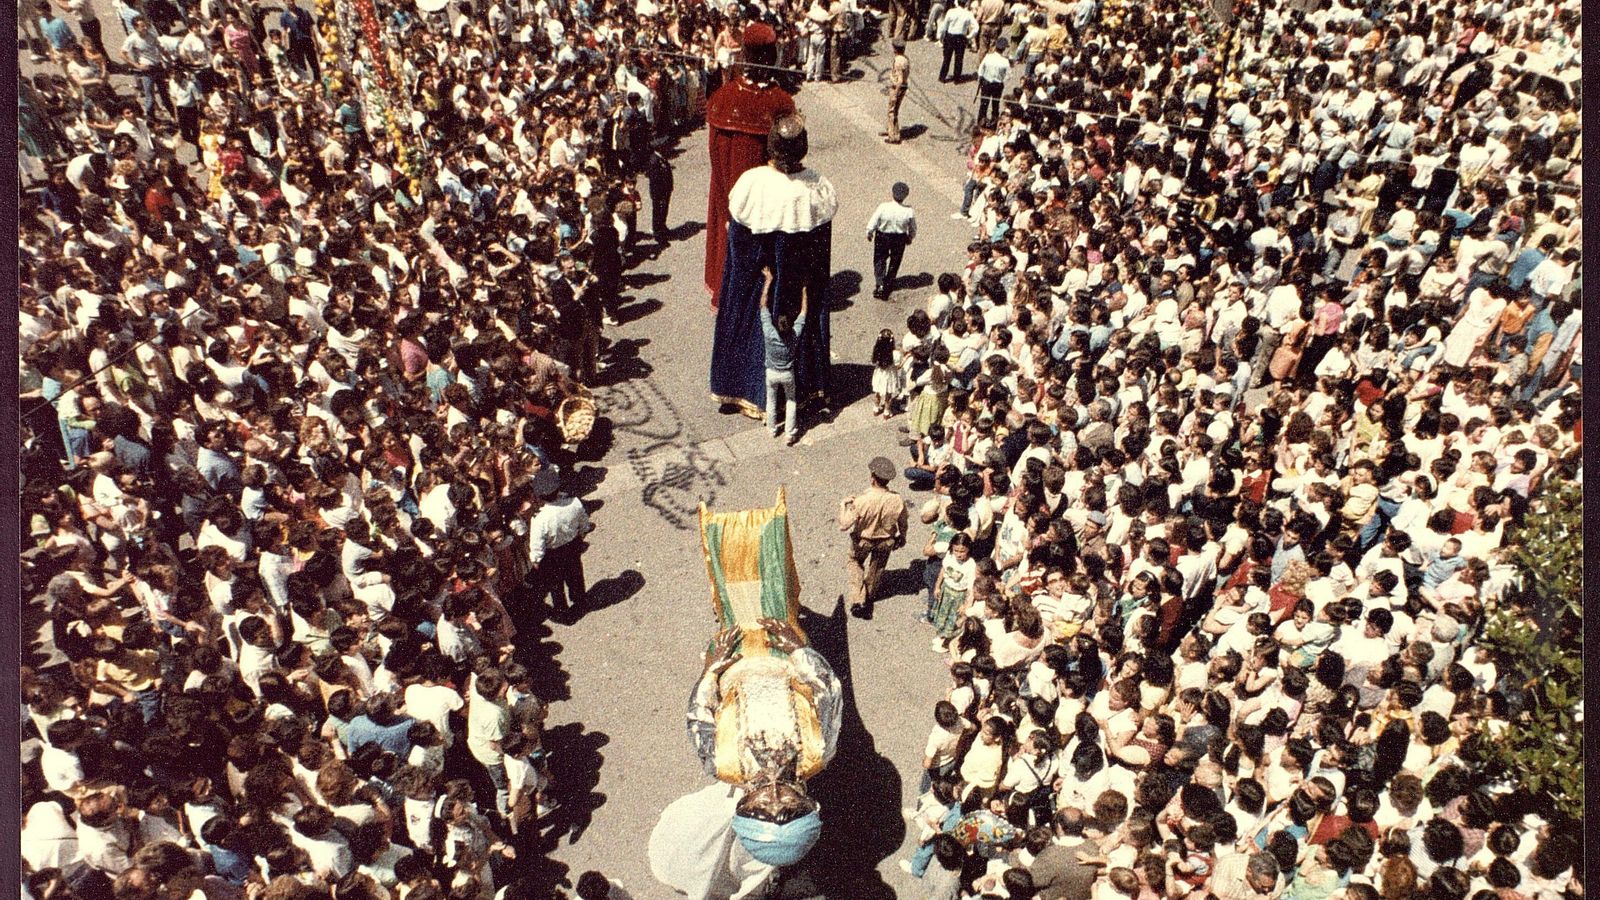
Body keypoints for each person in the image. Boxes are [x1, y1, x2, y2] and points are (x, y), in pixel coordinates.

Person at [710, 115, 838, 417]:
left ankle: (739, 387)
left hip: (758, 277)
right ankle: (807, 389)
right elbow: (820, 246)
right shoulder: (816, 187)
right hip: (797, 279)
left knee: (747, 323)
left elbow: (740, 244)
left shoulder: (752, 182)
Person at [703, 23, 798, 306]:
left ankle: (730, 294)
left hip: (727, 193)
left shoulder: (722, 98)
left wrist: (725, 206)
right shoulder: (781, 102)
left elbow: (715, 161)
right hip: (765, 198)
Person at [839, 456, 910, 619]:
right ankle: (870, 595)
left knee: (855, 562)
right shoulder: (897, 500)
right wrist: (902, 537)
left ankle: (858, 599)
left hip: (863, 541)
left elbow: (844, 525)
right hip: (886, 541)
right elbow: (903, 522)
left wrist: (843, 506)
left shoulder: (862, 501)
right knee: (877, 567)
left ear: (872, 477)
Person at [525, 467, 594, 620]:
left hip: (552, 554)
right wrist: (581, 533)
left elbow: (537, 543)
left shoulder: (539, 518)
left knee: (555, 583)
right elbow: (584, 524)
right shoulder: (574, 502)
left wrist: (536, 559)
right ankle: (580, 600)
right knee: (575, 575)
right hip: (573, 545)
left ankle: (562, 611)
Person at [757, 265, 809, 445]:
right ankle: (789, 433)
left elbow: (763, 304)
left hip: (771, 372)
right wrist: (803, 290)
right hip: (787, 373)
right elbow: (804, 312)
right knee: (791, 400)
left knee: (771, 401)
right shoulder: (794, 335)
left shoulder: (769, 333)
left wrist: (768, 281)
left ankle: (772, 429)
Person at [867, 181, 917, 299]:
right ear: (905, 196)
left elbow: (873, 221)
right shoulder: (909, 211)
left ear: (892, 193)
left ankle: (880, 283)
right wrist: (910, 237)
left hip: (882, 236)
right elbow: (913, 228)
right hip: (899, 238)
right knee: (895, 261)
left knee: (879, 259)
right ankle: (889, 284)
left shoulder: (883, 207)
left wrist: (869, 232)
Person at [938, 0, 977, 83]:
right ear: (965, 3)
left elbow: (944, 26)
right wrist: (969, 37)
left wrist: (941, 37)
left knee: (946, 58)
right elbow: (976, 28)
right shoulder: (968, 14)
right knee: (959, 58)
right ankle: (957, 78)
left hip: (950, 36)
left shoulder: (951, 12)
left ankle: (942, 76)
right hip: (961, 37)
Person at [975, 38, 1010, 128]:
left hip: (986, 83)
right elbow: (1008, 76)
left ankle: (980, 122)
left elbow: (980, 69)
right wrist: (1001, 79)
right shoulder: (1005, 62)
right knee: (995, 104)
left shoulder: (988, 57)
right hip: (997, 85)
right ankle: (994, 123)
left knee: (984, 104)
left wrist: (981, 77)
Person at [645, 147, 675, 249]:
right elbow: (654, 180)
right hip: (659, 193)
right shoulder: (654, 161)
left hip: (665, 190)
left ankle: (663, 227)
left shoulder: (661, 158)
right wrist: (659, 194)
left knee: (664, 210)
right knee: (658, 212)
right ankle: (658, 234)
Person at [885, 39, 911, 143]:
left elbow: (899, 79)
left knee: (892, 111)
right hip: (904, 86)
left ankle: (893, 136)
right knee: (894, 110)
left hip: (897, 87)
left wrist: (895, 92)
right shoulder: (905, 59)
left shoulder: (898, 62)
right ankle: (891, 129)